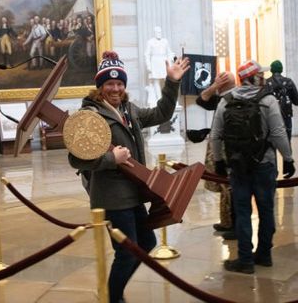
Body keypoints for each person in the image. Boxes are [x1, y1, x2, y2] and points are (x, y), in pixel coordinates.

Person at [68, 50, 190, 303]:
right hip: (112, 196)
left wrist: (172, 82)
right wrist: (113, 159)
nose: (115, 88)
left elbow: (161, 114)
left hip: (133, 192)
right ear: (100, 87)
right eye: (110, 83)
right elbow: (76, 159)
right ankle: (112, 297)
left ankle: (113, 290)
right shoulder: (89, 117)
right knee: (127, 251)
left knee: (145, 243)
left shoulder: (128, 109)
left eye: (120, 83)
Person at [210, 59, 295, 274]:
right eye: (261, 75)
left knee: (243, 211)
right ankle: (264, 255)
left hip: (238, 167)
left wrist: (219, 161)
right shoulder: (268, 100)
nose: (264, 78)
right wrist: (288, 158)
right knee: (267, 211)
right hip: (264, 164)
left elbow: (216, 135)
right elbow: (278, 133)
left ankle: (245, 259)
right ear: (255, 77)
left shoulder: (226, 100)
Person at [195, 72, 236, 240]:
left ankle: (234, 225)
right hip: (221, 148)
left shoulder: (233, 98)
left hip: (229, 150)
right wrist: (215, 87)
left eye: (218, 81)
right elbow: (201, 99)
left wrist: (215, 86)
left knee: (229, 187)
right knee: (224, 187)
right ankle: (226, 222)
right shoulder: (221, 98)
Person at [265, 60, 298, 143]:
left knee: (271, 145)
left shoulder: (266, 83)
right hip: (286, 115)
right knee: (287, 144)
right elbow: (296, 101)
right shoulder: (289, 82)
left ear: (271, 70)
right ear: (281, 69)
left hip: (272, 117)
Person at [145, 26, 175, 106]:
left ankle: (168, 98)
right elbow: (147, 54)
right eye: (157, 32)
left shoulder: (165, 41)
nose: (159, 34)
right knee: (156, 81)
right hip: (154, 61)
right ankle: (159, 99)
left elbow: (169, 52)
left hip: (164, 61)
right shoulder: (150, 42)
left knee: (167, 80)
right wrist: (148, 65)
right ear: (154, 33)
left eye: (160, 32)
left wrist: (170, 61)